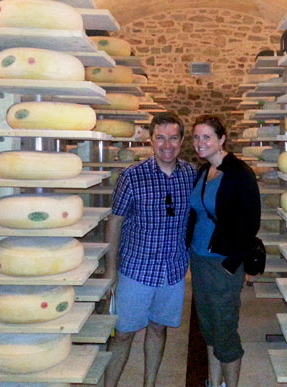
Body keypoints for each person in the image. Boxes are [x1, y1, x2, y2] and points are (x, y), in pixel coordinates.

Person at [104, 112, 196, 387]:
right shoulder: (132, 177)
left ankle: (150, 384)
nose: (167, 145)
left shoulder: (191, 175)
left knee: (158, 329)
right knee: (123, 334)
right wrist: (111, 269)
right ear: (151, 140)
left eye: (173, 138)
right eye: (160, 138)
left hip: (173, 271)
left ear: (181, 141)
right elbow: (115, 222)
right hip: (135, 270)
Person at [187, 115, 261, 387]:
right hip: (199, 260)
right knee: (208, 327)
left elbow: (251, 223)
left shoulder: (239, 174)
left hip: (223, 263)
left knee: (225, 328)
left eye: (206, 137)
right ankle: (213, 381)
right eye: (196, 137)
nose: (200, 143)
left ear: (221, 139)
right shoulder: (203, 171)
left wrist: (233, 264)